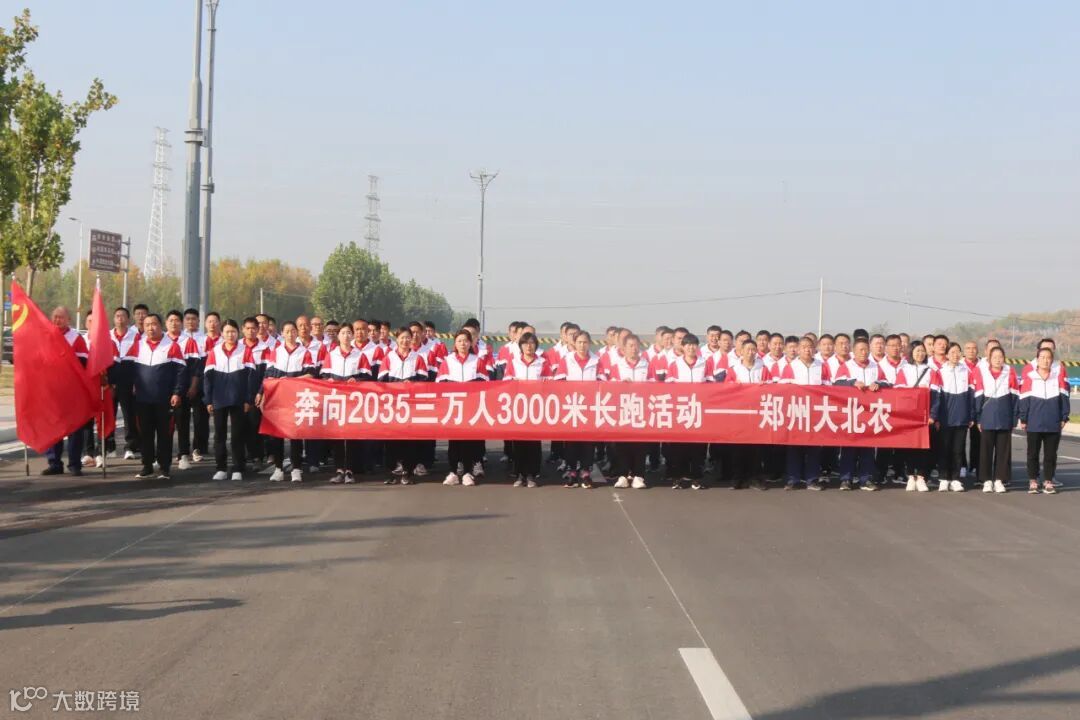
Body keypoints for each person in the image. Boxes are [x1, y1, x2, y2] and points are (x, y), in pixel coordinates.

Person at [126, 313, 187, 480]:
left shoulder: (172, 346)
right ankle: (147, 466)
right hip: (143, 399)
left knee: (164, 434)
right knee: (145, 433)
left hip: (164, 399)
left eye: (154, 324)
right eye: (147, 325)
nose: (150, 328)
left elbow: (181, 372)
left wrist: (177, 392)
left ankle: (164, 467)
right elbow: (128, 369)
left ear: (161, 326)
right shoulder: (138, 345)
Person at [260, 320, 317, 482]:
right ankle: (278, 468)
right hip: (277, 397)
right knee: (276, 434)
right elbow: (268, 375)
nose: (290, 334)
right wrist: (263, 394)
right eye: (287, 331)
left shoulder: (304, 352)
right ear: (282, 333)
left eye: (293, 331)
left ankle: (296, 468)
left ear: (297, 333)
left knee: (295, 434)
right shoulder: (276, 352)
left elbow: (311, 374)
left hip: (296, 397)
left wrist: (291, 380)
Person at [832, 337, 890, 491]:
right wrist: (852, 383)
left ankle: (866, 479)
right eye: (860, 350)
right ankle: (846, 479)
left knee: (868, 448)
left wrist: (878, 384)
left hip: (869, 414)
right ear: (854, 351)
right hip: (851, 413)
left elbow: (887, 383)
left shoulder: (875, 366)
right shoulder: (846, 366)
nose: (863, 353)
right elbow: (837, 383)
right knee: (848, 447)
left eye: (866, 350)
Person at [204, 320, 257, 481]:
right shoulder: (214, 352)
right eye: (227, 332)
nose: (230, 335)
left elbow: (251, 378)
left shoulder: (245, 351)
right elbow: (207, 377)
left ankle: (238, 468)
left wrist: (248, 399)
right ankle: (221, 467)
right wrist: (208, 400)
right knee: (219, 434)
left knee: (237, 435)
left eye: (233, 331)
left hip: (238, 399)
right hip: (219, 398)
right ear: (222, 333)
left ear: (238, 333)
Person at [437, 329, 492, 486]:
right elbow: (440, 383)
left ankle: (468, 472)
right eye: (459, 341)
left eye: (466, 341)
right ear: (455, 343)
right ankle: (453, 472)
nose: (463, 344)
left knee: (468, 441)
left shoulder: (477, 361)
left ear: (470, 343)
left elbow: (485, 382)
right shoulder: (448, 361)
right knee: (454, 441)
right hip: (453, 406)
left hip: (471, 406)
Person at [777, 337, 830, 490]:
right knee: (794, 447)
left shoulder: (821, 366)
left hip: (815, 413)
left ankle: (812, 479)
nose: (807, 350)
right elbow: (783, 388)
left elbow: (829, 387)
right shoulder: (790, 367)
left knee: (814, 447)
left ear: (814, 349)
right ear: (799, 349)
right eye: (804, 347)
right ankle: (793, 479)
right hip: (796, 412)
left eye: (810, 347)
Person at [41, 307, 89, 476]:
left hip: (72, 390)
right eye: (54, 317)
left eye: (61, 317)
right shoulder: (45, 336)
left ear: (69, 319)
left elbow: (83, 362)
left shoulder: (76, 338)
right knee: (53, 427)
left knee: (75, 428)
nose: (57, 320)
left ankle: (75, 463)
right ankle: (54, 463)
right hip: (51, 390)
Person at [379, 327, 430, 485]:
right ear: (397, 339)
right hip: (392, 405)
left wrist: (412, 383)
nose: (405, 340)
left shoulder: (418, 358)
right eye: (402, 337)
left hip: (411, 405)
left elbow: (424, 380)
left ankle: (408, 472)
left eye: (408, 337)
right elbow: (381, 380)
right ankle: (392, 471)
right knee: (391, 439)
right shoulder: (389, 357)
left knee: (409, 440)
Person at [553, 329, 602, 488]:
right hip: (571, 405)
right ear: (574, 343)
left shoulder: (596, 361)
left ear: (589, 343)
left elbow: (603, 381)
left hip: (590, 406)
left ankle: (586, 472)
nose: (582, 345)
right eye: (579, 342)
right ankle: (572, 472)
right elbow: (559, 381)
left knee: (588, 441)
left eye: (585, 342)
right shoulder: (566, 360)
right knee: (571, 441)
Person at [322, 323, 369, 484]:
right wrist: (328, 380)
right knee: (337, 437)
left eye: (349, 332)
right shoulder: (331, 354)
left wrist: (357, 379)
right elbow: (323, 376)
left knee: (351, 437)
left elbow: (368, 376)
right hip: (336, 401)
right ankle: (339, 470)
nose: (346, 335)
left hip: (353, 402)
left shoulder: (360, 355)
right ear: (338, 336)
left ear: (353, 335)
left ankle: (349, 471)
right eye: (343, 333)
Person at [1019, 346, 1069, 494]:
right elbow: (1024, 400)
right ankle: (1033, 481)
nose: (1045, 360)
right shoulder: (1030, 377)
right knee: (1032, 454)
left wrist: (1064, 417)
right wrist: (1023, 418)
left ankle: (1048, 481)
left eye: (1048, 358)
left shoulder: (1057, 377)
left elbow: (1064, 398)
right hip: (1034, 422)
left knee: (1050, 455)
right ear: (1037, 360)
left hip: (1053, 422)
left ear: (1052, 360)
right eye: (1042, 357)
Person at [503, 331, 550, 487]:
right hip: (518, 406)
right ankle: (519, 474)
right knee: (518, 442)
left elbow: (549, 384)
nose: (528, 346)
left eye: (531, 343)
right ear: (520, 346)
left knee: (534, 443)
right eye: (525, 343)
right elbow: (507, 382)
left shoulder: (543, 363)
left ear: (536, 345)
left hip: (536, 407)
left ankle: (531, 474)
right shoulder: (514, 362)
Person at [606, 333, 653, 490]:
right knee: (622, 444)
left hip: (641, 409)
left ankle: (639, 475)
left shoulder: (647, 365)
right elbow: (610, 386)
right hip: (623, 409)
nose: (633, 349)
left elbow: (654, 385)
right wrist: (622, 384)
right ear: (623, 348)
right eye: (630, 346)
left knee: (640, 444)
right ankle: (623, 475)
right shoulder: (617, 366)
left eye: (636, 346)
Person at [664, 333, 709, 490]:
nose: (691, 347)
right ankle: (677, 477)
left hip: (699, 410)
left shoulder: (705, 363)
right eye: (688, 344)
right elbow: (668, 387)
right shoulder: (675, 364)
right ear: (682, 347)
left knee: (698, 447)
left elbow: (712, 384)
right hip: (680, 410)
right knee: (678, 447)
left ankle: (696, 478)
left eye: (694, 344)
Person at [725, 339, 771, 490]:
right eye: (748, 350)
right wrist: (734, 386)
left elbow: (772, 387)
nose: (750, 353)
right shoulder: (733, 369)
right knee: (738, 448)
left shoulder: (763, 368)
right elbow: (725, 389)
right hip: (739, 414)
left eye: (753, 350)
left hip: (758, 413)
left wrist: (765, 386)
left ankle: (755, 478)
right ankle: (738, 478)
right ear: (741, 351)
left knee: (756, 448)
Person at [973, 346, 1018, 494]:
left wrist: (1014, 418)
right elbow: (979, 395)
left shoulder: (1009, 372)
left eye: (1000, 357)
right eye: (995, 357)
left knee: (1003, 451)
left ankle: (999, 480)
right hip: (987, 416)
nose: (998, 360)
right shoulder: (983, 372)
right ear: (989, 359)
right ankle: (986, 480)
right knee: (985, 451)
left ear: (1004, 358)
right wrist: (978, 418)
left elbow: (1015, 397)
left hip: (1005, 417)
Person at [896, 342, 936, 492]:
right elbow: (899, 392)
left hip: (925, 415)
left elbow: (936, 396)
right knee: (909, 446)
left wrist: (933, 415)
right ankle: (910, 476)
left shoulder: (931, 371)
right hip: (909, 415)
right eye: (917, 351)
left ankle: (921, 477)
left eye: (922, 351)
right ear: (911, 352)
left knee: (923, 447)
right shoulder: (904, 370)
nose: (920, 354)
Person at [935, 342, 974, 492]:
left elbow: (971, 396)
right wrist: (936, 417)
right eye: (952, 352)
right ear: (946, 354)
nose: (955, 355)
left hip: (962, 418)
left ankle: (956, 479)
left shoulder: (966, 371)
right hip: (945, 418)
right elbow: (937, 397)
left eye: (958, 352)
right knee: (944, 449)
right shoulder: (940, 372)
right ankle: (944, 478)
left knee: (958, 450)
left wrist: (971, 416)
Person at [107, 306, 140, 460]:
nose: (120, 318)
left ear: (128, 319)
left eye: (123, 316)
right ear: (114, 319)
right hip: (110, 381)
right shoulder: (107, 336)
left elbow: (138, 360)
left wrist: (136, 382)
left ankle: (130, 447)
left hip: (128, 380)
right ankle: (109, 447)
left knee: (129, 415)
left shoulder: (135, 337)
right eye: (117, 316)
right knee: (109, 415)